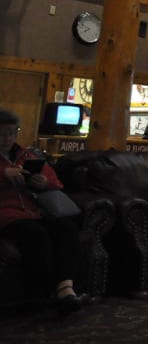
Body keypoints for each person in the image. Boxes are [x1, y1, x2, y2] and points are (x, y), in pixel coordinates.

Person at [0, 109, 88, 314]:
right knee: (35, 235)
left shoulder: (26, 155)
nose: (7, 139)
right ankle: (42, 294)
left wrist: (43, 182)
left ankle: (65, 288)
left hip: (32, 212)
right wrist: (4, 175)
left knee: (66, 228)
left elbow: (56, 183)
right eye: (2, 134)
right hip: (6, 215)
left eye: (11, 133)